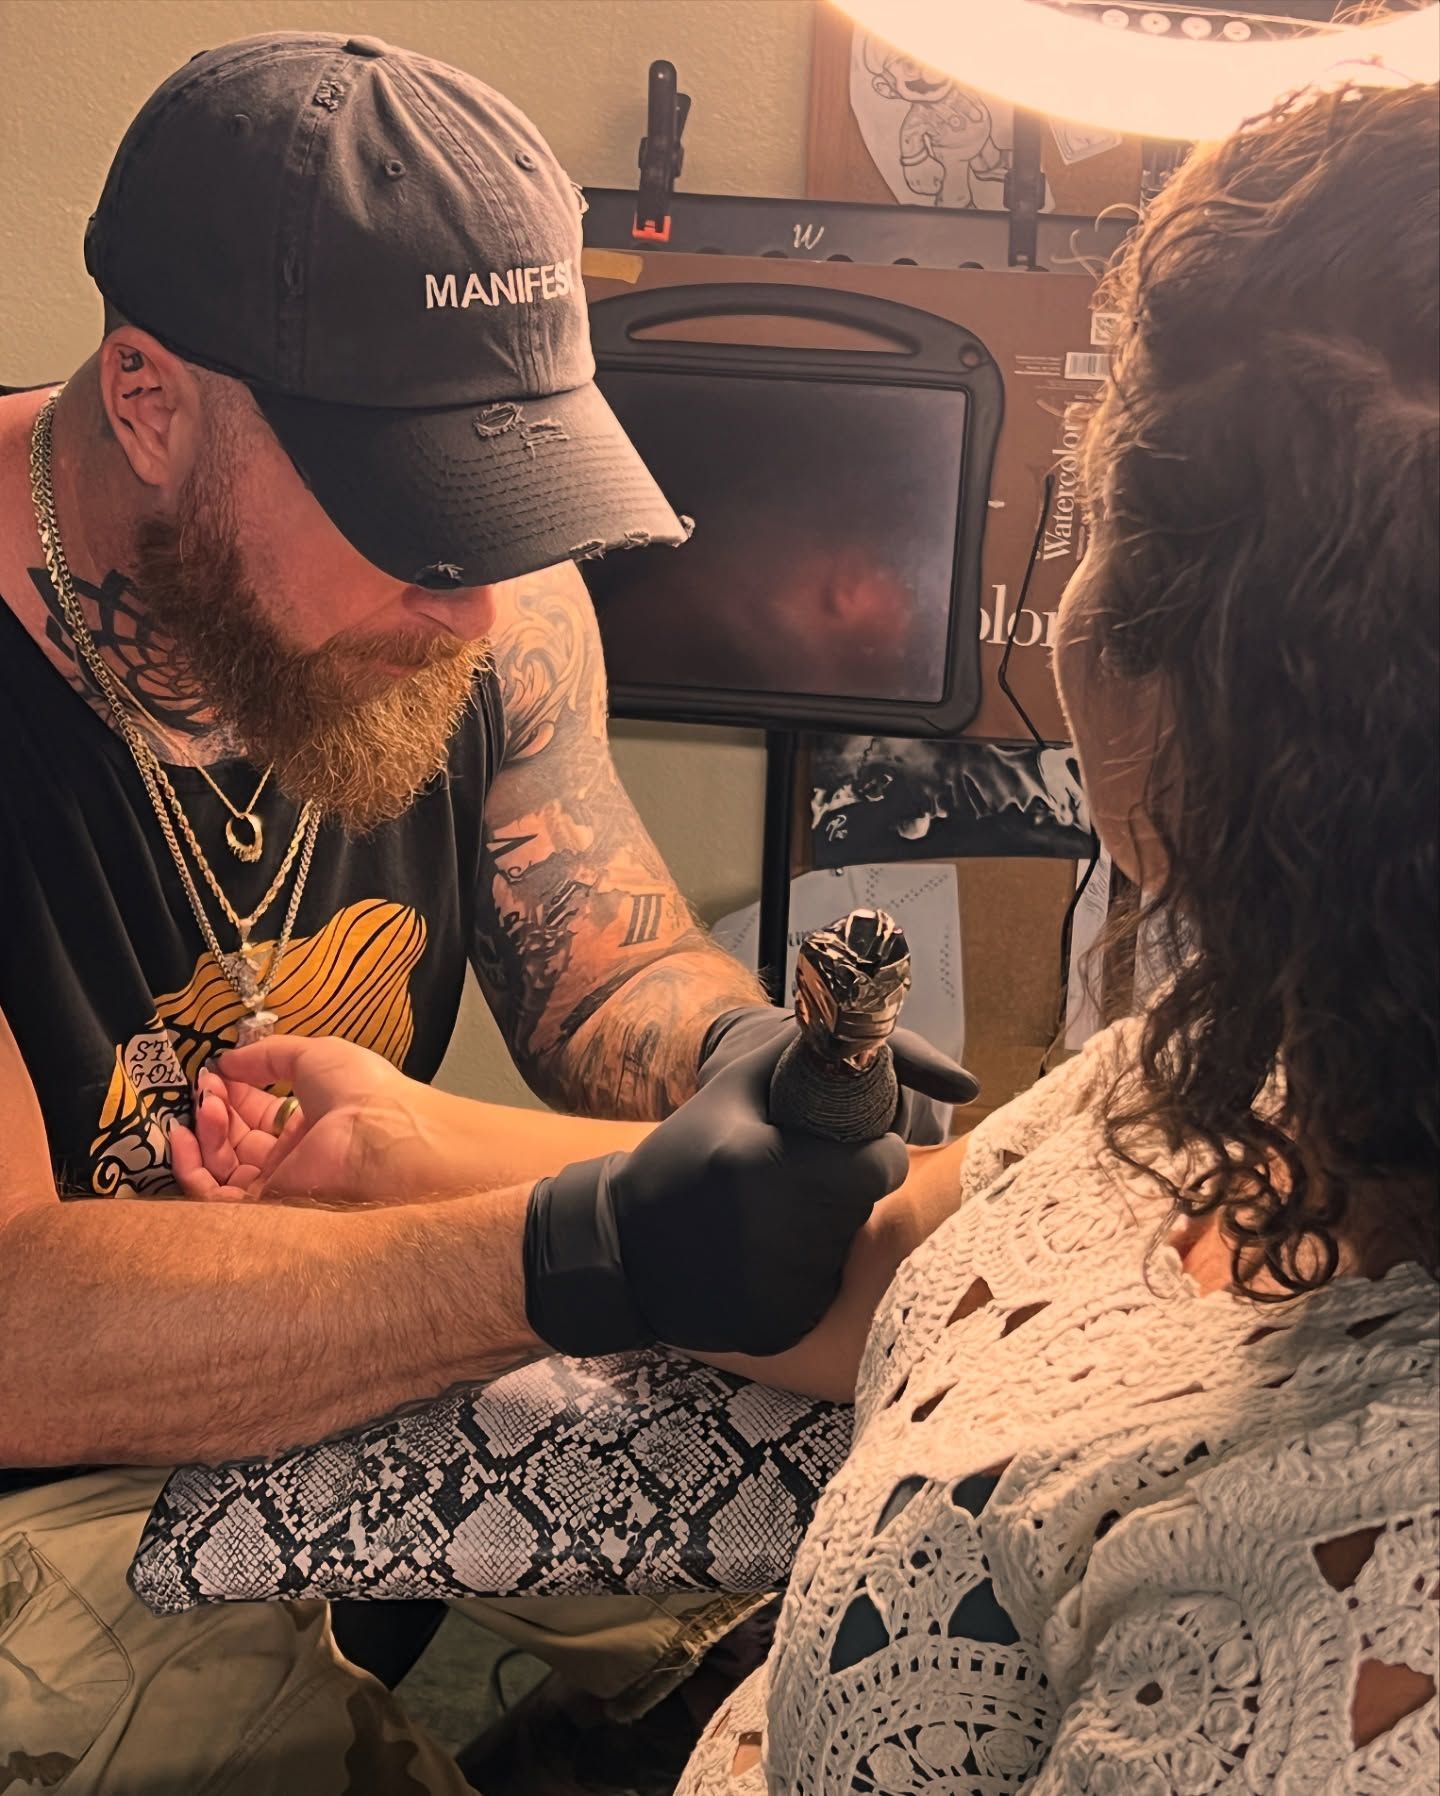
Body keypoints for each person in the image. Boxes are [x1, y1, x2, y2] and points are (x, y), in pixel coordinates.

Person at [201, 76, 1440, 1794]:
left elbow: (631, 983)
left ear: (1187, 673)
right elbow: (923, 1251)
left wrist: (585, 1235)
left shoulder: (1347, 1644)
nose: (471, 604)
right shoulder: (1236, 1054)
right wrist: (425, 1144)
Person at [0, 32, 974, 1796]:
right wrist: (572, 1250)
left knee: (888, 1541)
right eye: (414, 526)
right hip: (53, 1464)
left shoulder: (489, 607)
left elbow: (602, 965)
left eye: (498, 517)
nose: (469, 614)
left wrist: (750, 1060)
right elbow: (15, 1324)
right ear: (148, 401)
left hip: (346, 1327)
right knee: (189, 1719)